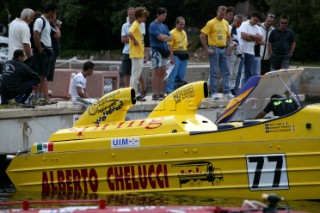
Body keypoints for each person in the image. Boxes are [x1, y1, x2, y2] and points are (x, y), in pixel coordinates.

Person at [200, 5, 233, 100]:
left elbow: (229, 36)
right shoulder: (211, 23)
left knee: (226, 71)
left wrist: (230, 46)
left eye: (223, 14)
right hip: (214, 48)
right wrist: (207, 49)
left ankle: (227, 92)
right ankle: (213, 92)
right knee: (214, 71)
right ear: (217, 12)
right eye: (220, 14)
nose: (222, 16)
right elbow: (202, 35)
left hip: (223, 48)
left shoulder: (226, 23)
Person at [33, 3, 58, 105]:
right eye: (55, 12)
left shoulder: (47, 22)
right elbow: (36, 34)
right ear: (51, 11)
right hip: (43, 50)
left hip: (48, 50)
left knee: (44, 75)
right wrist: (40, 50)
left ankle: (43, 97)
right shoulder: (40, 20)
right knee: (40, 75)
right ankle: (38, 97)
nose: (55, 14)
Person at [120, 7, 146, 99]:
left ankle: (138, 92)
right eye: (130, 14)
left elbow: (140, 37)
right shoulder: (132, 25)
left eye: (133, 14)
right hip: (131, 52)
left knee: (136, 73)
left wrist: (136, 40)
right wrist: (135, 41)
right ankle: (131, 93)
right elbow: (127, 36)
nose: (131, 16)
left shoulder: (140, 24)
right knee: (131, 74)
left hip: (138, 52)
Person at [149, 7, 172, 100]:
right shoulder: (153, 25)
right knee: (156, 71)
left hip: (164, 52)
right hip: (156, 51)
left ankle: (160, 92)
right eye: (163, 15)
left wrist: (164, 37)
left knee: (162, 71)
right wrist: (164, 37)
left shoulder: (164, 26)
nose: (164, 17)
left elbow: (170, 38)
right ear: (158, 15)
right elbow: (159, 38)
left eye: (165, 15)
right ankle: (154, 93)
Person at [128, 7, 149, 100]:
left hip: (139, 53)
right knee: (135, 76)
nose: (145, 19)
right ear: (139, 17)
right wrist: (135, 41)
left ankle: (132, 94)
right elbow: (129, 33)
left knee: (135, 75)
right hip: (136, 54)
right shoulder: (136, 24)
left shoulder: (138, 25)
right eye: (144, 17)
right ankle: (131, 95)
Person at [239, 11, 264, 84]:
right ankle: (240, 87)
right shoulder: (244, 24)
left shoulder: (257, 27)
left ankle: (246, 88)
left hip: (251, 52)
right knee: (241, 71)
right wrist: (254, 37)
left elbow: (260, 39)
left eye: (257, 21)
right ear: (251, 17)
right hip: (243, 50)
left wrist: (250, 36)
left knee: (249, 72)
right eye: (254, 20)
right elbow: (243, 36)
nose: (255, 22)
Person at [166, 16, 189, 94]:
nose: (182, 26)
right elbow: (170, 46)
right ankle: (170, 90)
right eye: (180, 24)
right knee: (173, 73)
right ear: (176, 23)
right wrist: (172, 58)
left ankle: (178, 89)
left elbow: (186, 44)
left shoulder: (184, 32)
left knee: (181, 74)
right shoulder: (172, 33)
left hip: (184, 54)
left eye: (183, 24)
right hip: (176, 54)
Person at [229, 14, 243, 94]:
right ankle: (228, 87)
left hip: (239, 52)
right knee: (230, 71)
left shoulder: (238, 30)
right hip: (232, 52)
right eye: (238, 22)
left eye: (240, 23)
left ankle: (233, 87)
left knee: (235, 72)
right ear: (234, 21)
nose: (239, 24)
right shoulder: (229, 28)